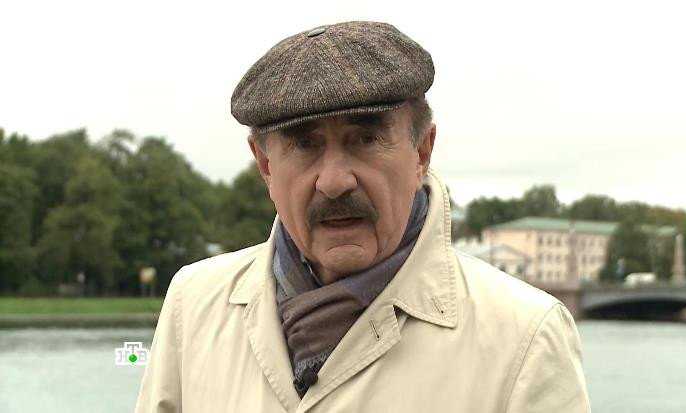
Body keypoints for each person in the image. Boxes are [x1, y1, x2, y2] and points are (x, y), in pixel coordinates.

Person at [135, 21, 590, 412]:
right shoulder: (193, 304)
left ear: (422, 151)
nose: (334, 181)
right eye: (304, 144)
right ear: (265, 165)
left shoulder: (524, 337)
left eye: (365, 140)